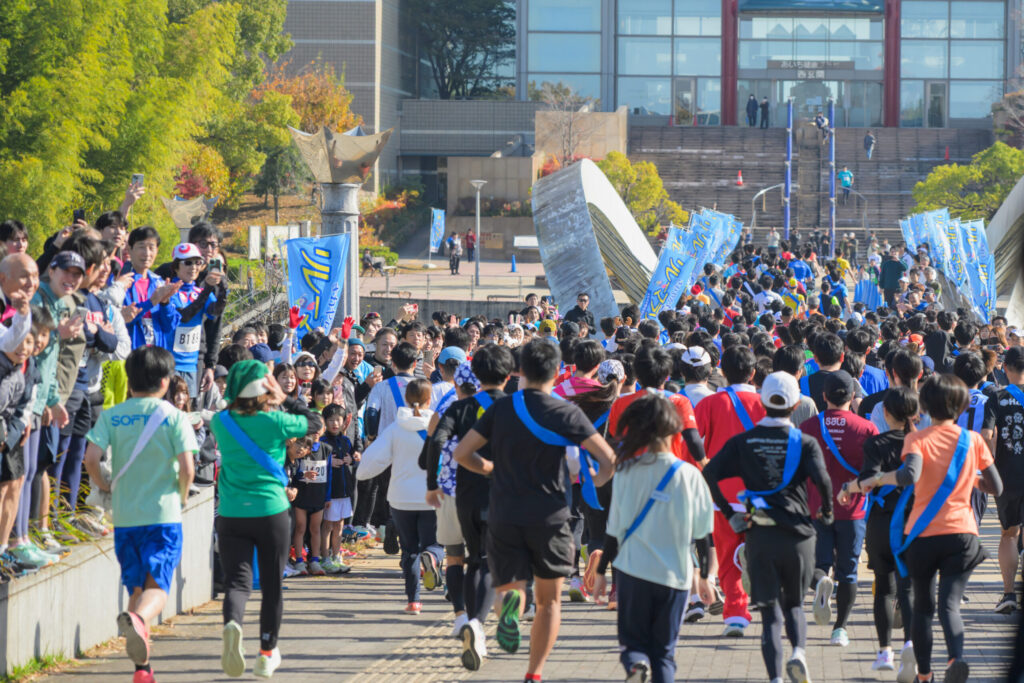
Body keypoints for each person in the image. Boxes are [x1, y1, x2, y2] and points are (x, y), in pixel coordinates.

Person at [453, 340, 616, 683]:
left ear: (520, 371)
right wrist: (592, 479)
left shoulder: (502, 409)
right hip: (552, 515)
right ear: (557, 372)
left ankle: (509, 611)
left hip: (505, 512)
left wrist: (490, 469)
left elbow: (463, 453)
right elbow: (608, 460)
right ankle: (534, 673)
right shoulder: (566, 412)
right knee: (549, 601)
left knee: (510, 587)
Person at [703, 372, 833, 683]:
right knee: (794, 606)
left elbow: (710, 476)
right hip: (798, 533)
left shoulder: (742, 442)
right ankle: (799, 654)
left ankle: (775, 678)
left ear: (762, 401)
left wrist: (728, 512)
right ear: (797, 404)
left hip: (759, 534)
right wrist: (826, 512)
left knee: (769, 616)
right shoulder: (805, 442)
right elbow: (824, 482)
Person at [873, 374, 1002, 683]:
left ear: (925, 405)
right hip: (963, 534)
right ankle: (956, 658)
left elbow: (909, 475)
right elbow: (995, 486)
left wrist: (875, 479)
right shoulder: (972, 440)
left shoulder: (916, 439)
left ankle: (924, 674)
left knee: (922, 608)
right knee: (950, 605)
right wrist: (972, 480)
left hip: (923, 535)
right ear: (960, 406)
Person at [83, 346, 197, 683]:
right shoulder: (174, 416)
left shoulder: (113, 415)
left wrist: (104, 484)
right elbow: (188, 468)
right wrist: (181, 495)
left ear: (130, 381)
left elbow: (91, 458)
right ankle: (138, 623)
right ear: (165, 381)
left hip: (125, 515)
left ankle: (143, 670)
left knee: (136, 588)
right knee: (158, 588)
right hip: (163, 515)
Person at [209, 360, 315, 679]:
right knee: (271, 586)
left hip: (230, 513)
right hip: (271, 512)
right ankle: (267, 653)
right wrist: (285, 398)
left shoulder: (220, 421)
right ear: (265, 387)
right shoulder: (278, 422)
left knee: (237, 583)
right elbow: (313, 421)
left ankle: (233, 624)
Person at [603, 393, 715, 683]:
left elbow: (614, 532)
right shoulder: (691, 475)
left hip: (632, 571)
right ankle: (648, 667)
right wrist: (704, 577)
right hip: (675, 575)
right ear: (674, 429)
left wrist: (602, 572)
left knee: (633, 645)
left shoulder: (625, 472)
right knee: (664, 653)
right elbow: (704, 536)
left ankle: (637, 664)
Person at [841, 387, 918, 679]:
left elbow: (867, 481)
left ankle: (885, 650)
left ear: (885, 413)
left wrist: (848, 489)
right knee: (908, 588)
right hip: (913, 523)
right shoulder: (920, 443)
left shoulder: (875, 443)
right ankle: (910, 644)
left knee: (883, 588)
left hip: (880, 523)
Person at [800, 370, 878, 647]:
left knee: (817, 565)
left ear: (823, 396)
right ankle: (840, 630)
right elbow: (872, 475)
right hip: (853, 510)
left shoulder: (808, 427)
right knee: (849, 570)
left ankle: (822, 582)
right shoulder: (866, 429)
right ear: (853, 397)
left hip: (816, 507)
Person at [358, 378, 440, 614]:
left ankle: (414, 601)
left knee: (409, 550)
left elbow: (373, 460)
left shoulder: (395, 427)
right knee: (433, 544)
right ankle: (433, 559)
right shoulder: (438, 425)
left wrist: (361, 475)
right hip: (431, 497)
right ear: (429, 399)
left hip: (401, 498)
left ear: (406, 399)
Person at [984, 345, 1024, 614]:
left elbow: (987, 437)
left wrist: (989, 470)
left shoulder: (996, 399)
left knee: (1009, 534)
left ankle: (1009, 594)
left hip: (1007, 476)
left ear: (1005, 368)